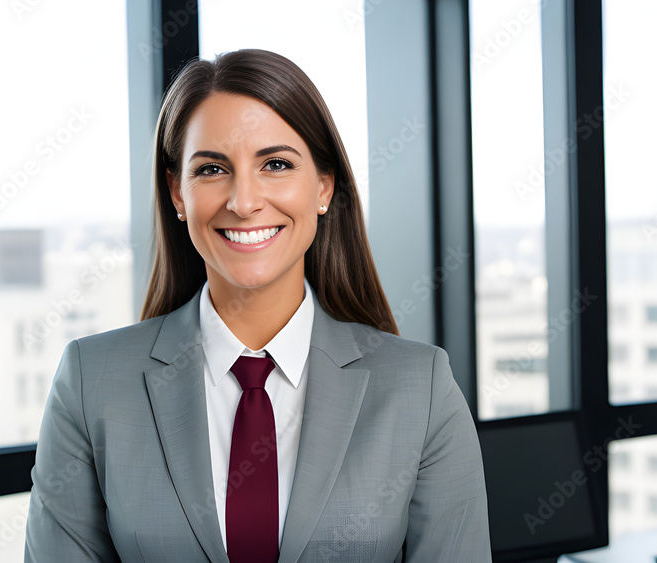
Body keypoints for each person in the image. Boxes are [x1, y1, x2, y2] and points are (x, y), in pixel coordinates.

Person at [24, 48, 490, 562]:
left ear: (323, 188)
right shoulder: (92, 382)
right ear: (178, 194)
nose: (243, 202)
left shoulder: (420, 388)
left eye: (275, 164)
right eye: (211, 169)